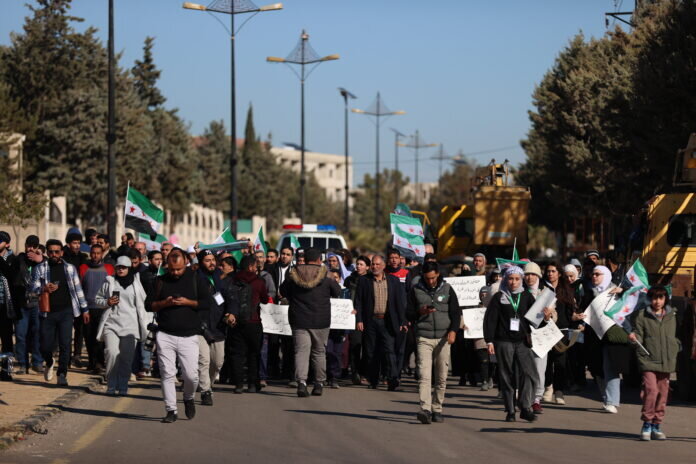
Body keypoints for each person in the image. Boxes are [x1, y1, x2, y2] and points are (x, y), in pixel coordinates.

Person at [146, 248, 210, 423]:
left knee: (191, 376)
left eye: (179, 269)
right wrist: (164, 303)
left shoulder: (196, 279)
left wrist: (189, 302)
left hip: (189, 336)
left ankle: (188, 397)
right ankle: (171, 410)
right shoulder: (159, 281)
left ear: (186, 264)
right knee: (167, 373)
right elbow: (148, 305)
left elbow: (208, 303)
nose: (175, 273)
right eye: (172, 269)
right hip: (165, 334)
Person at [280, 248, 341, 397]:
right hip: (321, 320)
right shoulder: (325, 274)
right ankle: (319, 384)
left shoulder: (293, 273)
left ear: (305, 258)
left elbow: (283, 290)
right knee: (319, 352)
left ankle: (301, 383)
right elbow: (337, 292)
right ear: (319, 260)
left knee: (301, 352)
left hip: (299, 319)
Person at [484, 266, 540, 422]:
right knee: (506, 375)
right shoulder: (499, 297)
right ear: (505, 279)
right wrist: (489, 340)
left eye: (517, 279)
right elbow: (490, 320)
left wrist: (545, 316)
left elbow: (537, 322)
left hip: (522, 341)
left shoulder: (527, 296)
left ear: (521, 280)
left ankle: (525, 407)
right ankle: (510, 410)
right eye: (510, 278)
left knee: (529, 374)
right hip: (504, 342)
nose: (513, 282)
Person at [407, 261, 460, 424]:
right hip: (424, 337)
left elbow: (456, 313)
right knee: (424, 375)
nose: (430, 281)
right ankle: (425, 409)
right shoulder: (415, 289)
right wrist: (420, 311)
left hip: (443, 338)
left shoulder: (448, 289)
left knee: (441, 376)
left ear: (437, 274)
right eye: (427, 278)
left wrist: (453, 331)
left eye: (433, 278)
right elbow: (408, 313)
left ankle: (437, 408)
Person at [31, 239, 88, 386]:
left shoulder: (69, 268)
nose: (54, 254)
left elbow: (78, 289)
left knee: (65, 344)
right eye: (51, 252)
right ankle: (49, 362)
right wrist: (43, 289)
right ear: (47, 252)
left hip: (66, 312)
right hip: (47, 312)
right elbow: (32, 289)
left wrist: (85, 309)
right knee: (45, 345)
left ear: (62, 252)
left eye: (57, 251)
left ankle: (62, 373)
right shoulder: (40, 268)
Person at [629, 286, 680, 441]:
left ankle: (657, 424)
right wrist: (633, 338)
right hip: (648, 359)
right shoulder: (642, 316)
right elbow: (638, 336)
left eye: (660, 298)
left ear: (665, 299)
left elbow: (675, 336)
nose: (657, 301)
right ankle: (647, 423)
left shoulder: (672, 315)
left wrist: (676, 347)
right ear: (649, 299)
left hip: (666, 361)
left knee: (663, 394)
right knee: (651, 390)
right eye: (654, 298)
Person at [95, 256, 148, 395]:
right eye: (118, 267)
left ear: (129, 268)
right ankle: (111, 385)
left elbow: (144, 304)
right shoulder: (109, 281)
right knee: (112, 353)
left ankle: (123, 385)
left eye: (124, 267)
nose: (121, 270)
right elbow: (97, 299)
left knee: (126, 358)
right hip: (111, 324)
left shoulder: (137, 284)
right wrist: (107, 302)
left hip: (131, 326)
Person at [354, 254, 407, 391]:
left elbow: (399, 303)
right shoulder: (364, 280)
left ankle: (392, 378)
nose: (375, 267)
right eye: (373, 264)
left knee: (389, 350)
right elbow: (358, 301)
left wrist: (403, 321)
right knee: (371, 352)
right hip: (370, 321)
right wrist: (359, 319)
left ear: (384, 266)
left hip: (387, 321)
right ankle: (373, 379)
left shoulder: (394, 281)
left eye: (378, 264)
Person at [228, 255, 269, 394]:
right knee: (254, 354)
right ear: (251, 266)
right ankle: (252, 384)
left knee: (237, 354)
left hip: (236, 321)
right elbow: (264, 300)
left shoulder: (234, 279)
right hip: (254, 322)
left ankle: (238, 384)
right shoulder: (259, 282)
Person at [196, 249, 228, 404]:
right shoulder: (195, 279)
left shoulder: (220, 278)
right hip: (200, 327)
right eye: (207, 260)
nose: (212, 263)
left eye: (213, 260)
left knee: (217, 362)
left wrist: (231, 313)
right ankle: (206, 391)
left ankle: (207, 383)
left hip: (218, 327)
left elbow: (228, 299)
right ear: (201, 262)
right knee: (204, 360)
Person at [79, 244, 115, 373]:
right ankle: (92, 362)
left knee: (102, 338)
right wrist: (83, 309)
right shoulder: (83, 268)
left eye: (98, 253)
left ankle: (100, 363)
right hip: (88, 308)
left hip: (104, 308)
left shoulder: (109, 269)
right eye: (93, 253)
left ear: (102, 253)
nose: (95, 256)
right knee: (89, 337)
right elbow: (79, 289)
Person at [12, 235, 45, 374]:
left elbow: (49, 274)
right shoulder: (19, 259)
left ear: (38, 248)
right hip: (21, 303)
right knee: (20, 334)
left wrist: (41, 260)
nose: (30, 248)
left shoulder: (44, 262)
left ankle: (37, 362)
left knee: (37, 333)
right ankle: (22, 363)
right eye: (28, 245)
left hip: (37, 303)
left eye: (33, 246)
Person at [344, 255, 370, 385]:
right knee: (354, 344)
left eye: (361, 264)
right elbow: (343, 295)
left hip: (368, 317)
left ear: (367, 267)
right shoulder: (349, 279)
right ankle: (355, 373)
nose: (358, 266)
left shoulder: (370, 280)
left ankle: (364, 373)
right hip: (352, 317)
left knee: (367, 347)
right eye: (357, 264)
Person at [326, 268, 352, 388]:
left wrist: (346, 330)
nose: (334, 280)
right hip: (326, 326)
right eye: (332, 278)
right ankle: (325, 375)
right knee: (327, 351)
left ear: (340, 278)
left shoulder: (345, 292)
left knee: (337, 352)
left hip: (340, 328)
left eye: (336, 278)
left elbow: (349, 309)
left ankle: (334, 377)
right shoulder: (325, 291)